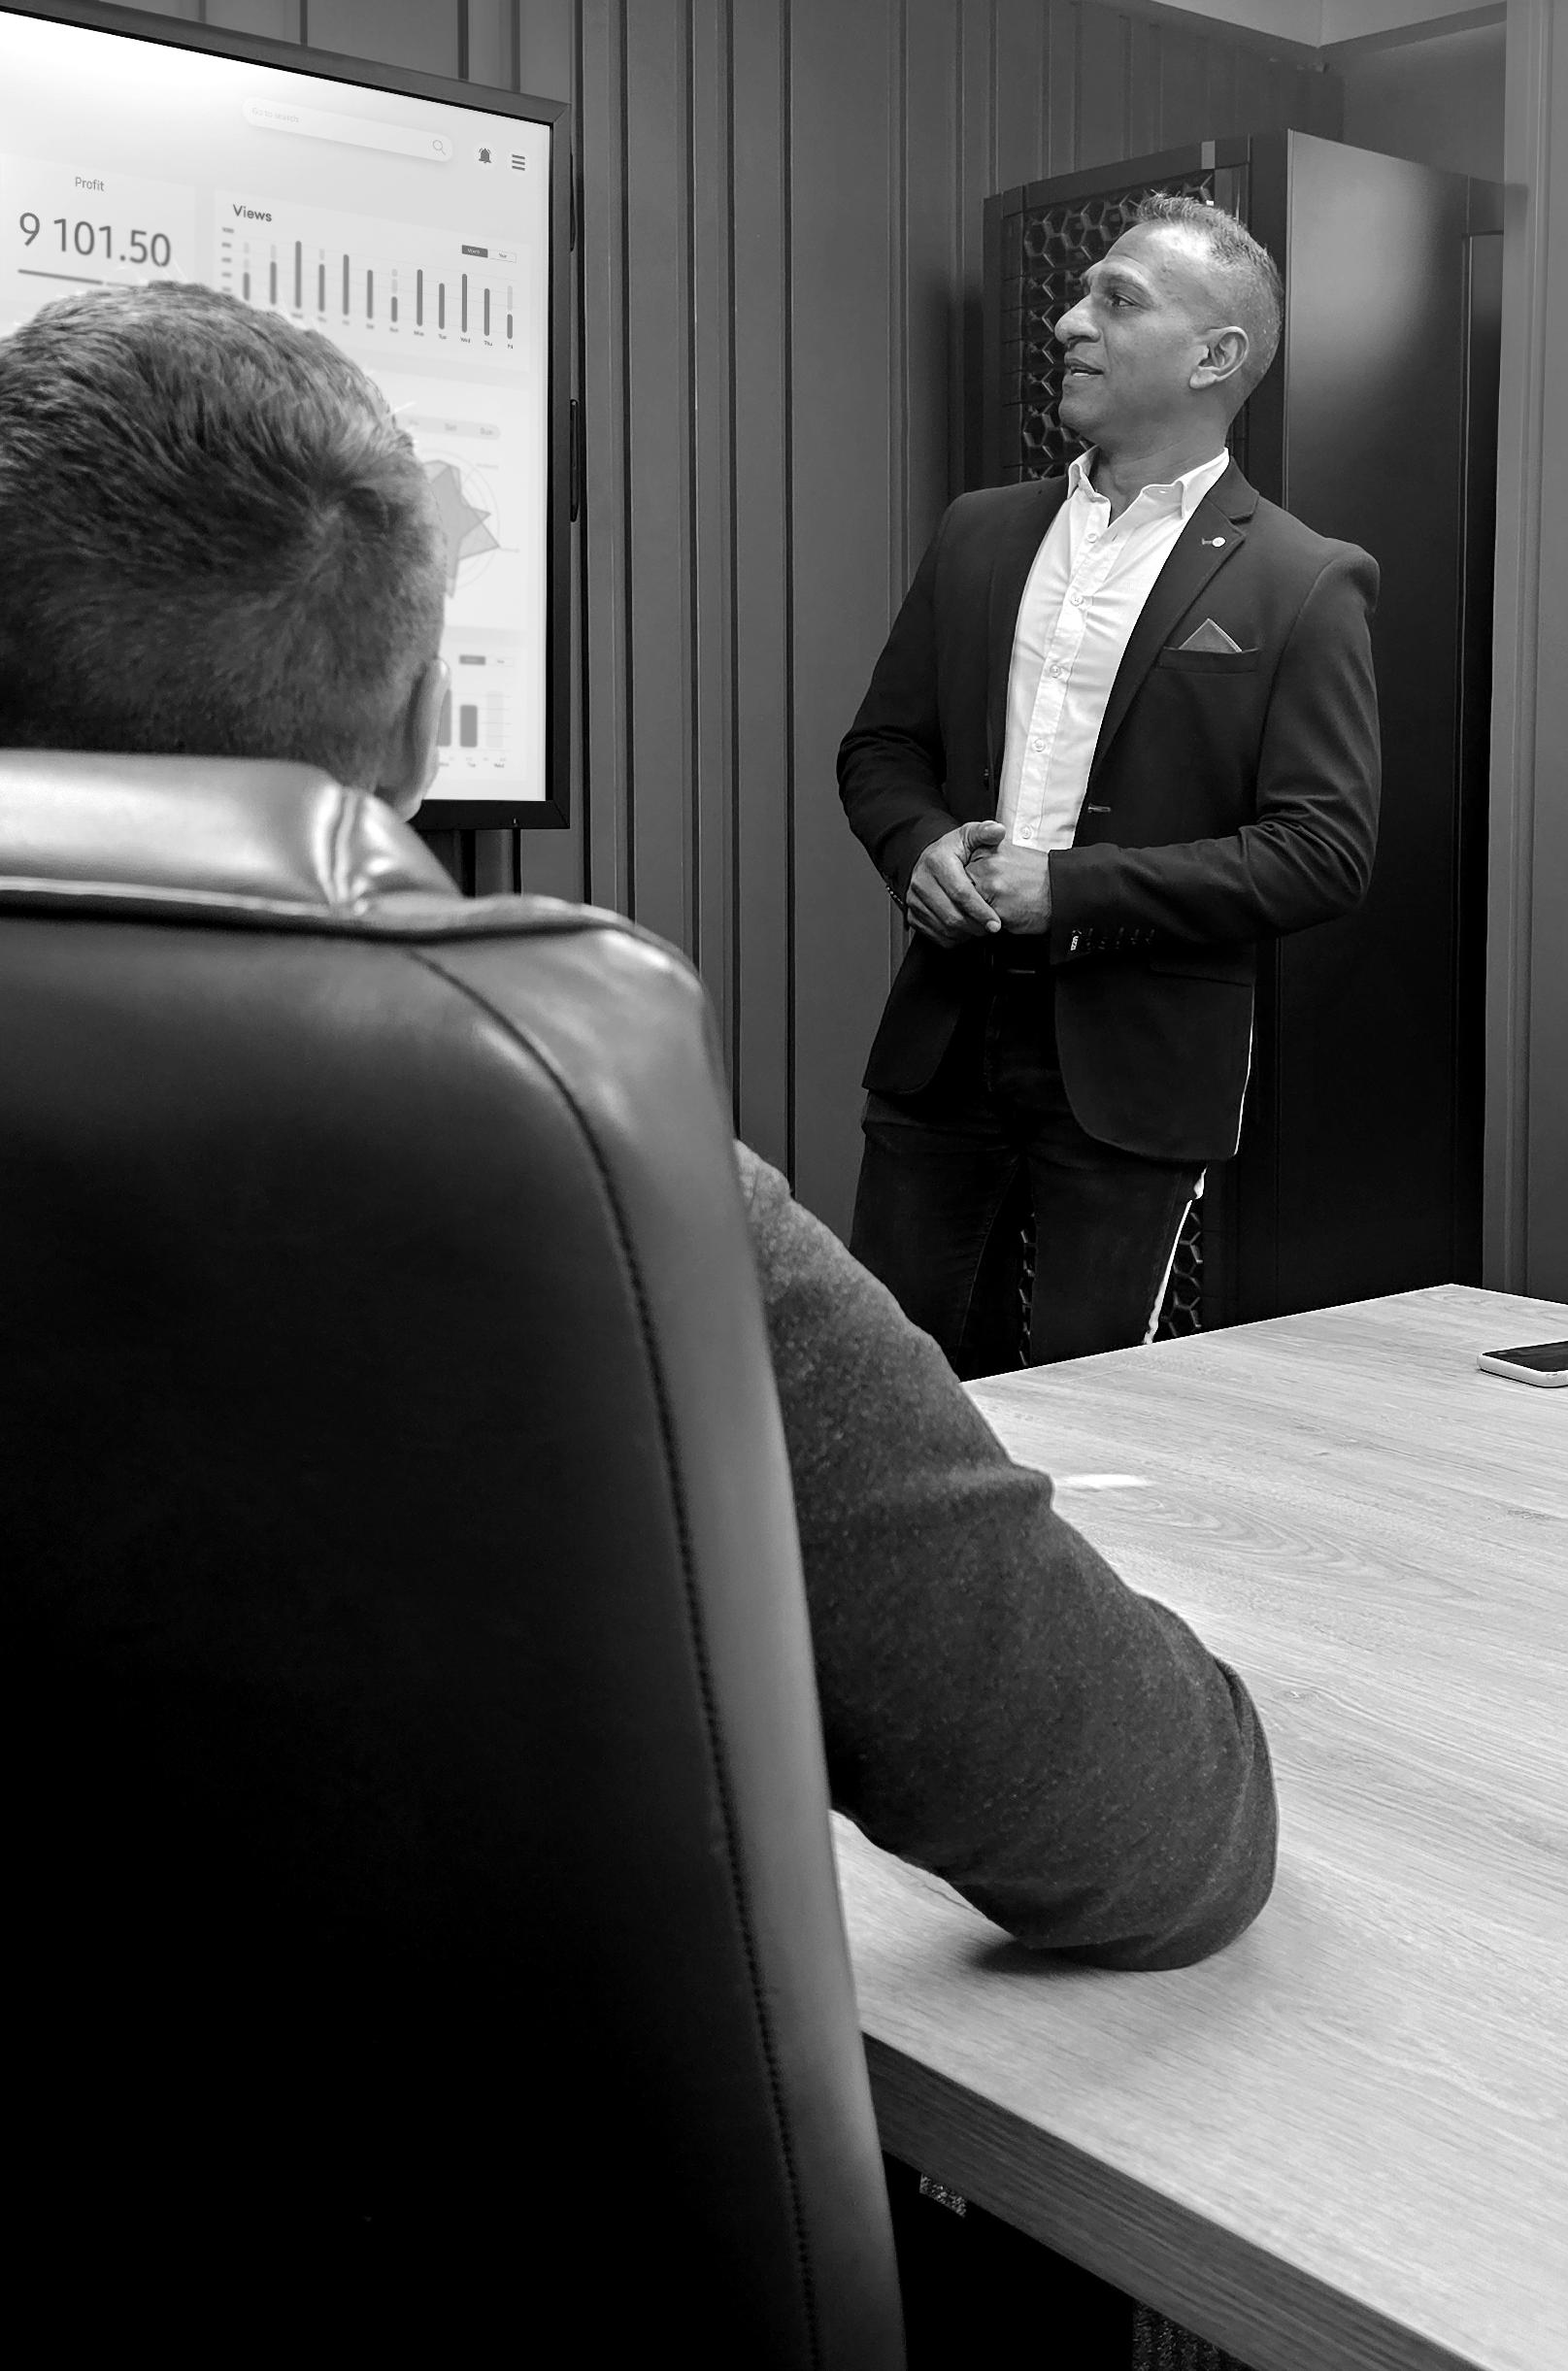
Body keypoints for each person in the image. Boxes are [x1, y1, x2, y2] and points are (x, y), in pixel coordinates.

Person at [0, 279, 1275, 1970]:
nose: (1072, 325)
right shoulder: (581, 1169)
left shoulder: (1296, 574)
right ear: (421, 731)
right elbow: (1155, 1831)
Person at [841, 192, 1382, 1376]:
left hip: (1137, 1072)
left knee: (1094, 1413)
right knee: (892, 1398)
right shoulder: (979, 533)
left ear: (1215, 357)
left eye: (1117, 301)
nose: (1068, 322)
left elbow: (1322, 852)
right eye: (1082, 293)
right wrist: (918, 847)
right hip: (942, 1043)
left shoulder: (1304, 580)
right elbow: (880, 750)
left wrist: (1068, 891)